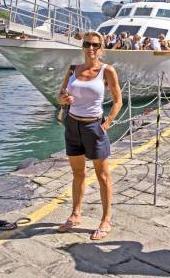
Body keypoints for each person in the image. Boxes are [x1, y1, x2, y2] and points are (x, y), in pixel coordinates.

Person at [57, 31, 123, 240]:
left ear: (101, 47)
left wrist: (106, 125)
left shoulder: (107, 71)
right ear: (83, 46)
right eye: (87, 44)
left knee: (103, 177)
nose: (91, 48)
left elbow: (118, 101)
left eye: (95, 44)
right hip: (72, 126)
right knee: (78, 174)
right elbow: (60, 95)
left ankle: (106, 220)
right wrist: (62, 99)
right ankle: (76, 214)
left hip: (94, 127)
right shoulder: (73, 70)